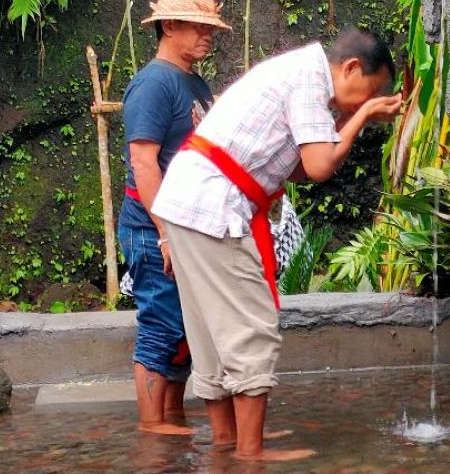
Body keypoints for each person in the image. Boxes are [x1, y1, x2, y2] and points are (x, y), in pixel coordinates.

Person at [152, 27, 403, 461]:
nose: (368, 101)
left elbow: (299, 170)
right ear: (351, 68)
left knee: (210, 331)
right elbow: (321, 165)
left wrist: (349, 119)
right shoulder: (309, 78)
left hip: (187, 202)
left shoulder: (299, 73)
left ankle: (226, 443)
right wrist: (360, 119)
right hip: (214, 206)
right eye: (371, 90)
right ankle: (251, 453)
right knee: (251, 328)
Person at [118, 0, 229, 435]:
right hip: (154, 228)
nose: (208, 35)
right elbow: (144, 160)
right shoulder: (154, 84)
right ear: (168, 25)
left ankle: (173, 422)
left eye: (211, 27)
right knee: (161, 325)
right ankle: (152, 434)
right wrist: (165, 232)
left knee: (184, 332)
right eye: (197, 26)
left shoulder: (192, 82)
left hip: (182, 228)